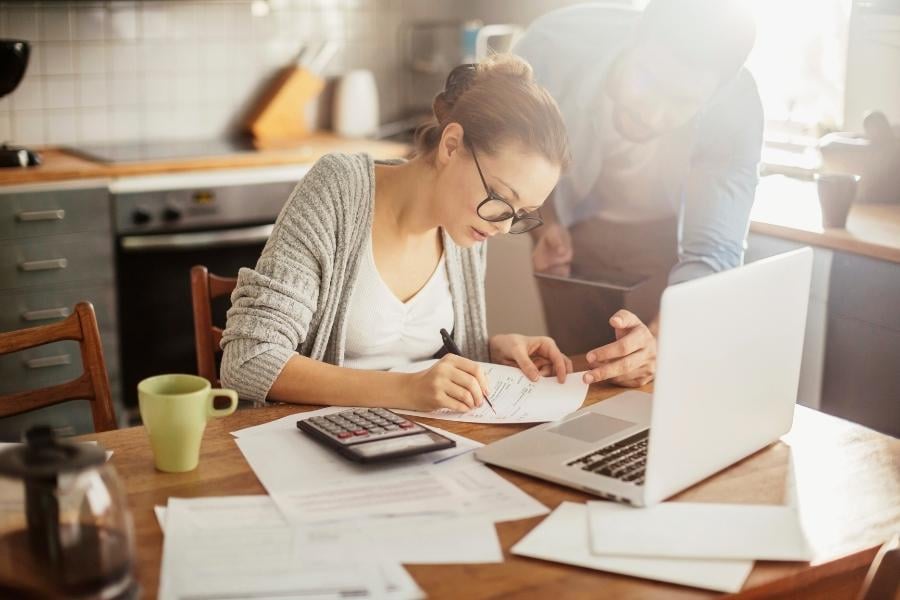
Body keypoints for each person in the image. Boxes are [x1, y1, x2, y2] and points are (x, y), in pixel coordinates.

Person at [220, 55, 573, 412]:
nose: (503, 227)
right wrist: (404, 390)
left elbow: (424, 356)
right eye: (500, 199)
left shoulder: (469, 227)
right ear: (451, 146)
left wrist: (492, 349)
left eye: (522, 214)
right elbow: (248, 359)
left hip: (417, 445)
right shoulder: (340, 189)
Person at [515, 0, 763, 387]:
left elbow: (711, 252)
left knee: (654, 378)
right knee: (571, 381)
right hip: (574, 223)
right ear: (634, 40)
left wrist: (663, 341)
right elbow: (506, 156)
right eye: (648, 81)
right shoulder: (550, 49)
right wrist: (543, 224)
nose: (652, 113)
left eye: (681, 102)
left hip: (668, 241)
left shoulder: (735, 106)